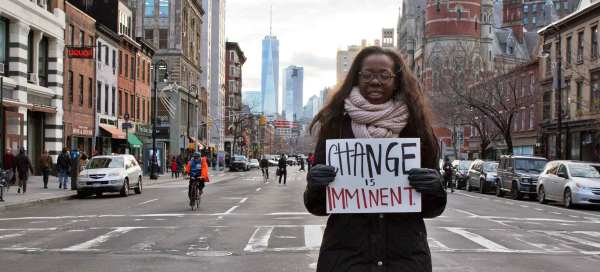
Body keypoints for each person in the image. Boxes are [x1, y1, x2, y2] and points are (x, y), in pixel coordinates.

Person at [304, 46, 446, 271]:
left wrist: (435, 187)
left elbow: (432, 208)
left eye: (384, 75)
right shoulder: (336, 125)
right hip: (347, 261)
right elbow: (318, 206)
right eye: (367, 74)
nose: (375, 81)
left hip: (403, 261)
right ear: (356, 78)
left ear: (397, 80)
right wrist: (315, 185)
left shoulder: (416, 127)